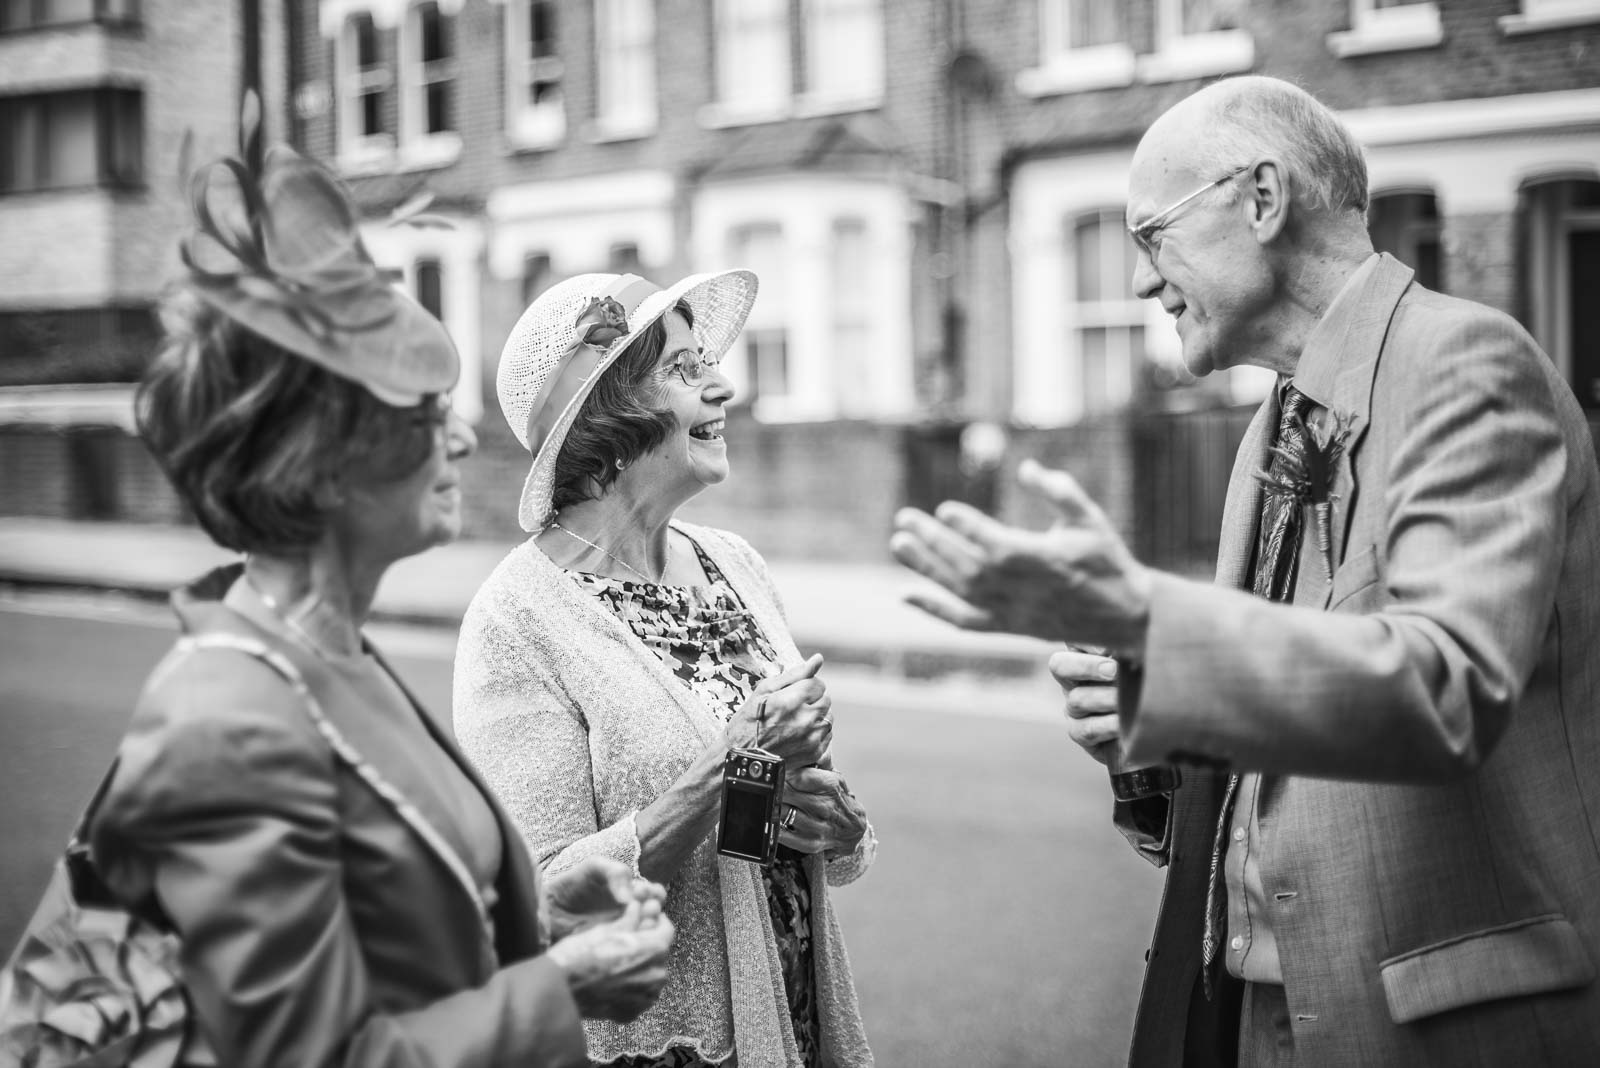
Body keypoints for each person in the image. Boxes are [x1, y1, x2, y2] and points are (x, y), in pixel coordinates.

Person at [889, 74, 1600, 1066]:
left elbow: (1446, 686)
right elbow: (1282, 746)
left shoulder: (1465, 363)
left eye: (1151, 235)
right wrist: (1149, 719)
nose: (1141, 281)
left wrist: (1153, 622)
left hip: (1434, 1026)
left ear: (1260, 200)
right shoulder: (1269, 422)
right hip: (1254, 1017)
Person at [78, 131, 676, 1067]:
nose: (466, 441)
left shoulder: (328, 656)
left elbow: (390, 924)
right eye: (425, 411)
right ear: (322, 459)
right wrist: (560, 991)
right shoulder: (225, 724)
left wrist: (540, 916)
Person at [453, 270, 876, 1068]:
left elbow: (801, 810)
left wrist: (842, 828)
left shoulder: (734, 563)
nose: (724, 385)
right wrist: (728, 769)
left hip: (796, 1022)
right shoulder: (515, 620)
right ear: (605, 419)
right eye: (685, 370)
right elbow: (539, 900)